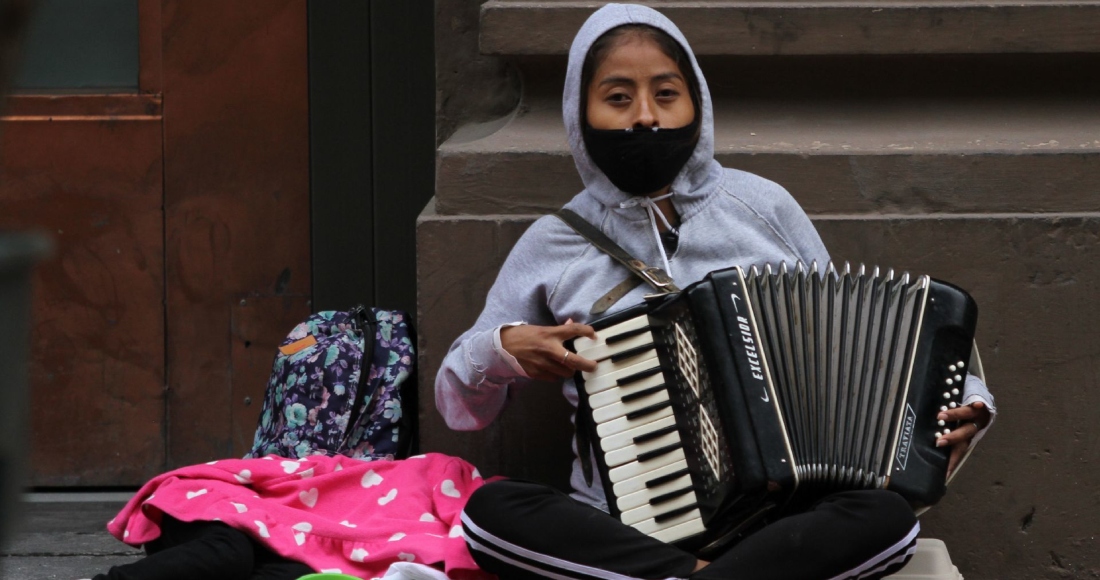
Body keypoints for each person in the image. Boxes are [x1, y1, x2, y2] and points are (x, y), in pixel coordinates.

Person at [435, 4, 996, 579]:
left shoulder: (764, 207)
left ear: (697, 103)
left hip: (786, 519)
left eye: (666, 93)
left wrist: (965, 399)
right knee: (489, 514)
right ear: (581, 115)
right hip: (622, 525)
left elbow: (863, 344)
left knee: (890, 521)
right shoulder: (553, 243)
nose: (646, 118)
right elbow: (459, 405)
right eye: (619, 97)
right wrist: (504, 349)